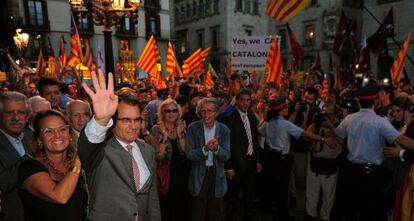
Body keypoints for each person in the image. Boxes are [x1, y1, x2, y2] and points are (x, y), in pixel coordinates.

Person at [78, 70, 161, 221]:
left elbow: (152, 198)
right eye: (126, 120)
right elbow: (87, 148)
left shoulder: (147, 151)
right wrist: (100, 120)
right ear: (113, 122)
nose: (134, 126)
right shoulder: (100, 151)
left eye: (137, 120)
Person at [334, 84, 414, 221]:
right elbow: (400, 139)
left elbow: (338, 136)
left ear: (360, 101)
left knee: (350, 212)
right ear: (376, 101)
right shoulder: (380, 122)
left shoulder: (349, 119)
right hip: (372, 175)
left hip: (350, 172)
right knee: (371, 213)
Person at [258, 97, 333, 221]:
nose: (288, 109)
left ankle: (267, 211)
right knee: (283, 188)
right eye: (285, 108)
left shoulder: (269, 122)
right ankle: (283, 215)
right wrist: (324, 139)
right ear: (280, 111)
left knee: (269, 185)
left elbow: (260, 132)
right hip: (282, 159)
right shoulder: (284, 124)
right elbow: (304, 133)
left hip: (270, 157)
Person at [18, 110, 86, 221]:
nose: (57, 135)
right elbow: (60, 197)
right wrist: (78, 160)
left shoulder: (76, 166)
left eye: (63, 129)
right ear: (39, 139)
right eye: (48, 131)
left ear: (69, 134)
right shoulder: (29, 167)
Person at [185, 97, 231, 221]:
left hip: (217, 177)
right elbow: (189, 154)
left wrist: (216, 149)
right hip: (198, 176)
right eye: (203, 111)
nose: (206, 114)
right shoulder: (192, 128)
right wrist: (205, 149)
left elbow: (227, 155)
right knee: (197, 213)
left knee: (216, 213)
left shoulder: (224, 130)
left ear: (216, 113)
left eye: (210, 111)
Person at [222, 88, 261, 221]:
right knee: (233, 197)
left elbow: (254, 139)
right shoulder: (229, 118)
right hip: (236, 164)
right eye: (242, 100)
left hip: (250, 162)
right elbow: (226, 145)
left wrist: (258, 160)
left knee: (250, 196)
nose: (245, 103)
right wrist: (228, 167)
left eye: (248, 100)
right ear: (237, 101)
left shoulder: (251, 116)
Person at [151, 98, 188, 221]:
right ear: (162, 113)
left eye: (174, 111)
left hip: (181, 174)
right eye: (167, 111)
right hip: (166, 176)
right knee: (167, 209)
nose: (171, 114)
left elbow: (185, 152)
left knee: (181, 208)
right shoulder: (156, 129)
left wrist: (180, 134)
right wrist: (164, 136)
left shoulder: (182, 126)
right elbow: (159, 156)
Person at [305, 103, 343, 221]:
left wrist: (333, 128)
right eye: (325, 111)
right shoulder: (317, 122)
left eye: (330, 113)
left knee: (328, 200)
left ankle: (325, 217)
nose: (327, 115)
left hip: (330, 168)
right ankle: (311, 216)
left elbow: (345, 140)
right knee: (311, 197)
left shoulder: (341, 124)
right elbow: (306, 135)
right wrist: (317, 125)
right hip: (315, 165)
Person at [0, 91, 31, 221]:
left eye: (21, 112)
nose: (16, 118)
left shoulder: (33, 137)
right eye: (9, 112)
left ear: (27, 116)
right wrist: (29, 159)